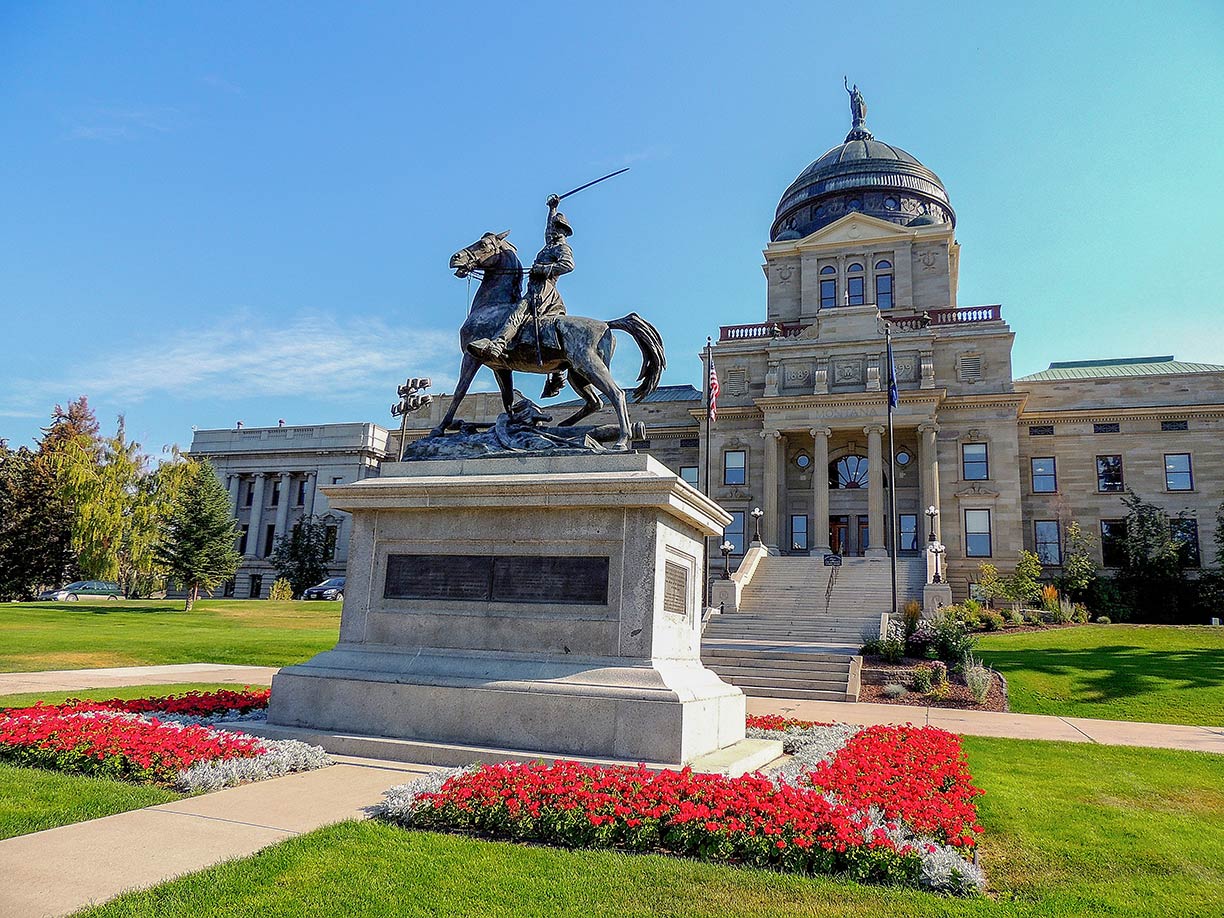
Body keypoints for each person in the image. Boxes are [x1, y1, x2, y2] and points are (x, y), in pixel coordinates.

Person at [468, 194, 571, 398]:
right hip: (537, 288)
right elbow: (547, 228)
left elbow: (568, 265)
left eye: (557, 228)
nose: (553, 231)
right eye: (553, 228)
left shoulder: (561, 248)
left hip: (544, 291)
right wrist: (552, 209)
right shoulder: (549, 245)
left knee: (516, 313)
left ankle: (497, 345)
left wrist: (542, 269)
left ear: (563, 231)